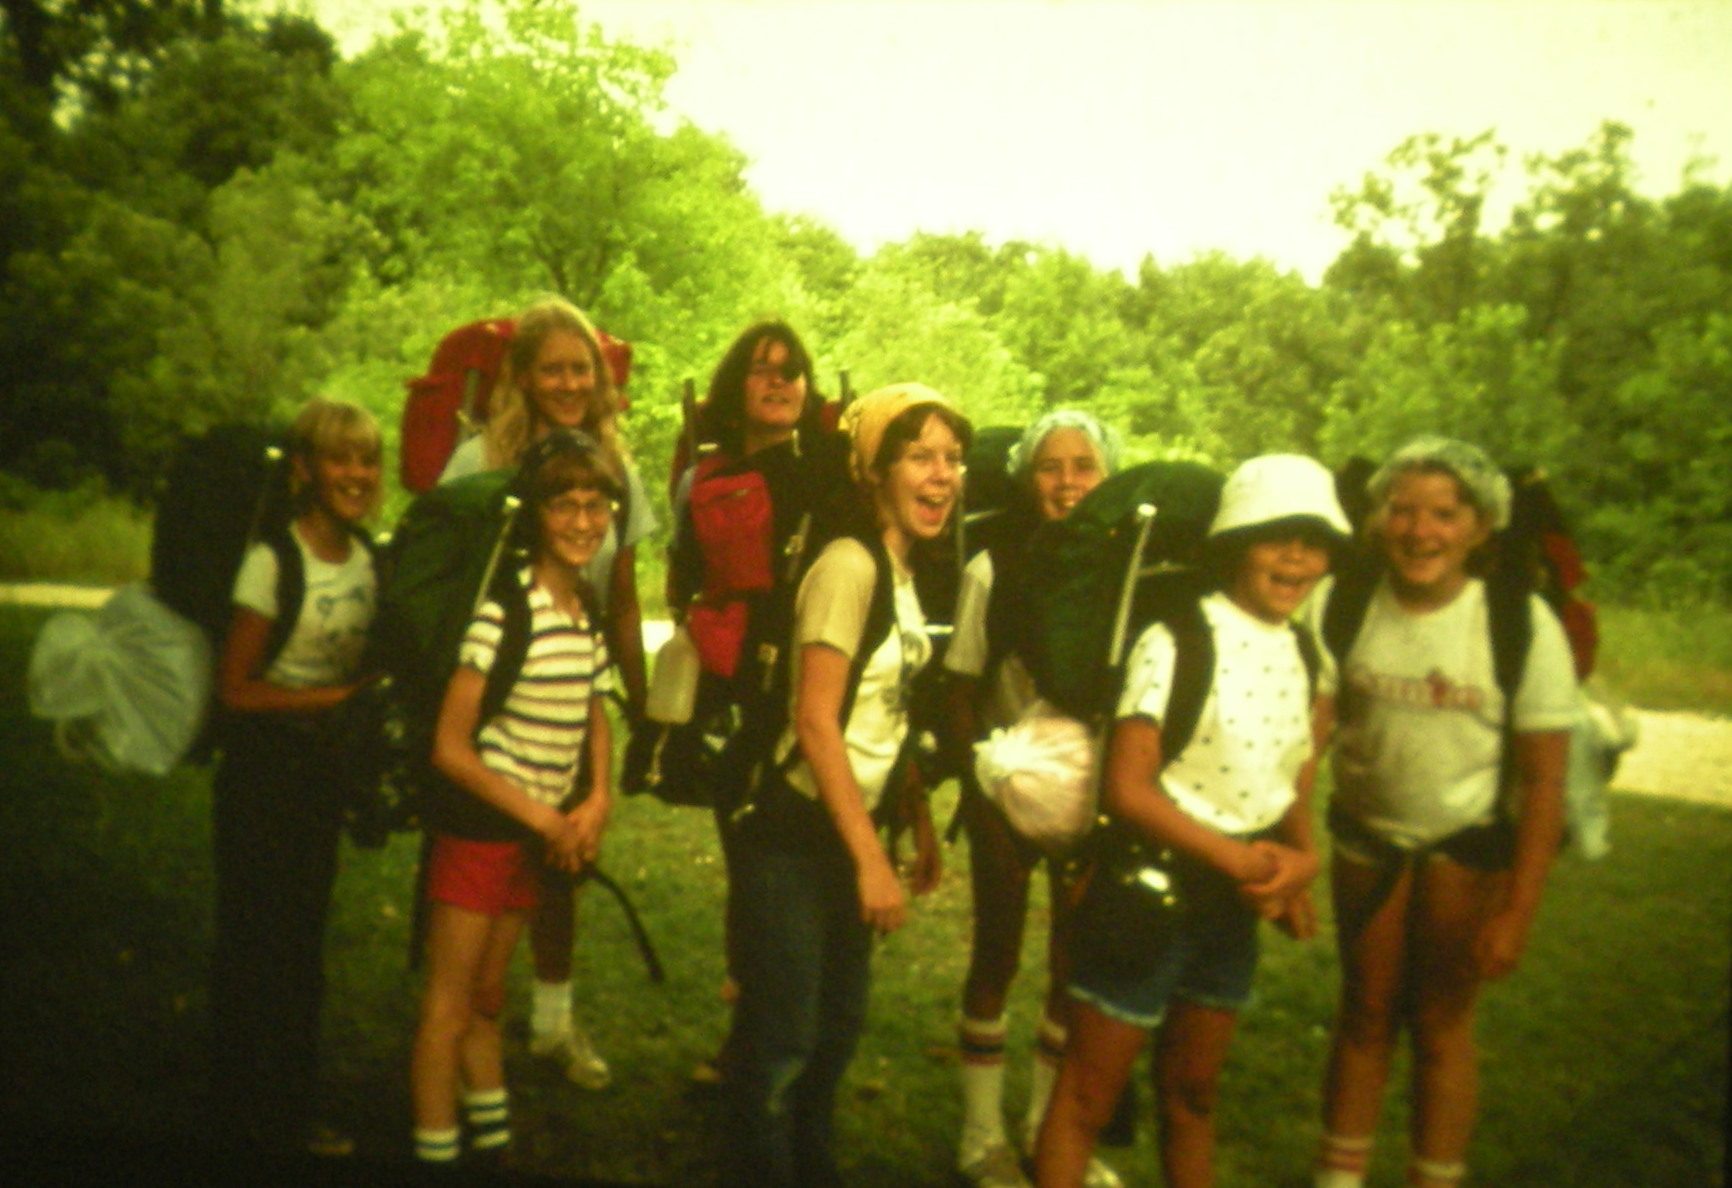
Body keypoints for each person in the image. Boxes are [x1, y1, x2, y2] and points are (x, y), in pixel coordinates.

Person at [1034, 454, 1351, 1188]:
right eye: (1277, 537)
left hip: (1228, 912)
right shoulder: (1177, 640)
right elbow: (1128, 787)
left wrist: (1302, 860)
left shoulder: (1305, 652)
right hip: (1145, 893)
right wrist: (1232, 857)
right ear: (1237, 542)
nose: (1296, 557)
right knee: (1087, 1094)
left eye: (1313, 540)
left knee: (1193, 1095)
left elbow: (1290, 780)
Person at [1306, 438, 1576, 1188]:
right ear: (1377, 519)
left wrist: (1518, 911)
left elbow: (1546, 782)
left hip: (1467, 848)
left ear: (1481, 528)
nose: (1420, 531)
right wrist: (1294, 844)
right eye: (1404, 510)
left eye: (1445, 515)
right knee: (1362, 1012)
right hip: (1366, 838)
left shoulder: (1518, 624)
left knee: (1440, 1024)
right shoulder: (1346, 602)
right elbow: (1310, 736)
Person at [724, 383, 968, 1186]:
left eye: (953, 459)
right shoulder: (846, 565)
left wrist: (915, 822)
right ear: (874, 471)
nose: (943, 476)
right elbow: (818, 721)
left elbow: (885, 715)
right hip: (794, 836)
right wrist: (869, 861)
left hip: (850, 831)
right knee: (785, 1041)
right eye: (921, 457)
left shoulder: (905, 571)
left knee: (834, 1032)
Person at [439, 295, 654, 1088]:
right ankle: (455, 1018)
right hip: (489, 705)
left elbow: (623, 599)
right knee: (472, 872)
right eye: (553, 368)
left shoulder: (615, 469)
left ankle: (552, 1024)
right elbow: (446, 596)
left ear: (599, 379)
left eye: (581, 369)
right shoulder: (478, 462)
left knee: (561, 865)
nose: (568, 383)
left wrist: (642, 705)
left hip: (571, 697)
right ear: (523, 376)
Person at [409, 431, 618, 1168]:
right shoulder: (506, 611)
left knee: (490, 996)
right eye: (566, 505)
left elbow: (596, 714)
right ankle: (434, 1152)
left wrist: (596, 802)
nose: (583, 521)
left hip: (535, 837)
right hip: (480, 834)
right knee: (448, 1005)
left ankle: (491, 1146)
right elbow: (449, 747)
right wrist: (542, 815)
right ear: (536, 514)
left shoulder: (583, 609)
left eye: (597, 506)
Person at [663, 320, 849, 1082]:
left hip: (814, 694)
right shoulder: (704, 478)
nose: (779, 382)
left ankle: (802, 1036)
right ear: (735, 386)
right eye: (762, 370)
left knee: (814, 873)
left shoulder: (837, 471)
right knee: (752, 873)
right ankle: (750, 1040)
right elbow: (683, 576)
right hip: (736, 697)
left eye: (792, 370)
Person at [945, 411, 1122, 1188]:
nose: (1068, 482)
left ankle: (1046, 1133)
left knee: (1070, 967)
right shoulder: (994, 567)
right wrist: (983, 777)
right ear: (1025, 478)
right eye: (1051, 466)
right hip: (1006, 792)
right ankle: (980, 1137)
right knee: (997, 953)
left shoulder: (1125, 572)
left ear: (1109, 478)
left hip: (1093, 802)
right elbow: (957, 685)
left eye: (1085, 466)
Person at [209, 398, 383, 1159]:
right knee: (256, 944)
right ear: (306, 471)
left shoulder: (372, 559)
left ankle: (287, 1106)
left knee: (302, 946)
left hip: (320, 778)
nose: (358, 475)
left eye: (369, 460)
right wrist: (334, 700)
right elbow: (235, 689)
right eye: (342, 459)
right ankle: (240, 1109)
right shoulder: (272, 561)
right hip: (260, 776)